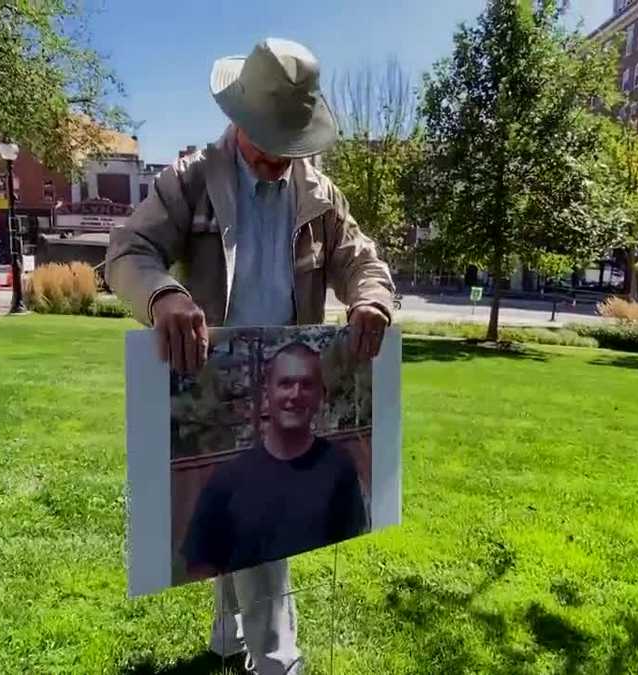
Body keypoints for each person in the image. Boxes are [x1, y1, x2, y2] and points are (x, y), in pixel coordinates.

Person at [106, 37, 394, 675]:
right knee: (241, 512)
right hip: (212, 380)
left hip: (290, 380)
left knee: (265, 526)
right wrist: (164, 297)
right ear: (236, 117)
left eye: (289, 144)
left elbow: (362, 262)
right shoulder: (187, 180)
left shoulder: (321, 196)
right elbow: (127, 252)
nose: (276, 161)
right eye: (267, 141)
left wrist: (371, 300)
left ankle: (248, 649)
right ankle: (267, 657)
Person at [181, 342, 368, 579]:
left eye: (307, 385)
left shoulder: (339, 467)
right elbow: (200, 567)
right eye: (286, 383)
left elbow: (351, 546)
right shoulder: (226, 479)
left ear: (321, 396)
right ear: (267, 393)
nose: (296, 394)